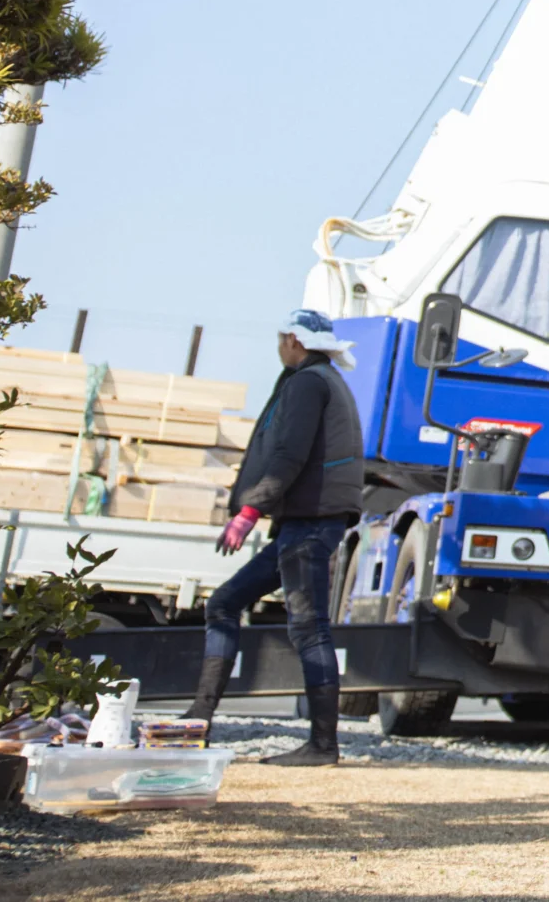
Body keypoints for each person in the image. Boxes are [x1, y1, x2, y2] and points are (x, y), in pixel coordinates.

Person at [181, 308, 366, 766]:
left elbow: (289, 454)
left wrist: (250, 510)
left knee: (309, 627)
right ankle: (198, 718)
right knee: (223, 603)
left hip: (311, 524)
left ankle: (322, 745)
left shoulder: (309, 382)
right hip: (302, 525)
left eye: (282, 338)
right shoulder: (320, 379)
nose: (279, 346)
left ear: (294, 341)